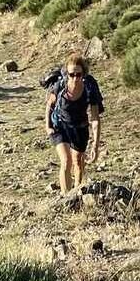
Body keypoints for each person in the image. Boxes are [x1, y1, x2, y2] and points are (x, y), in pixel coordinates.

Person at [45, 54, 103, 193]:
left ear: (84, 74)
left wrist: (95, 145)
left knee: (78, 161)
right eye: (72, 74)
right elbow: (49, 104)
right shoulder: (61, 85)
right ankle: (65, 197)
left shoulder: (90, 87)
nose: (75, 78)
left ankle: (77, 191)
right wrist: (48, 126)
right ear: (67, 74)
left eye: (79, 74)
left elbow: (95, 118)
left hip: (79, 127)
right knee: (66, 161)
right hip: (60, 125)